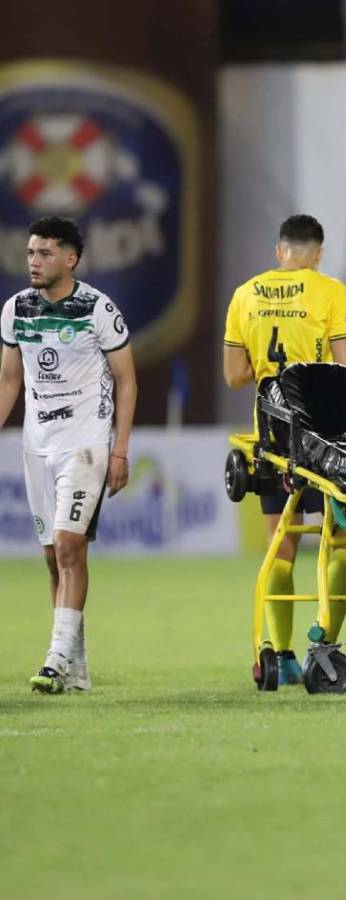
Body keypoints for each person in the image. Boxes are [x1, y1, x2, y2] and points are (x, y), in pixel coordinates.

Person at [222, 214, 346, 684]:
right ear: (317, 253)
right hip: (323, 433)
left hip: (272, 432)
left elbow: (234, 375)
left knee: (280, 543)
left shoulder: (245, 294)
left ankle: (280, 657)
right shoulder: (331, 291)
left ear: (279, 250)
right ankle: (323, 646)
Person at [0, 216, 137, 693]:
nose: (33, 262)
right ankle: (77, 666)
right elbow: (9, 380)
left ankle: (55, 659)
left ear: (70, 259)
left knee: (68, 546)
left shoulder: (98, 309)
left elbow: (126, 380)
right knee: (51, 557)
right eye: (30, 253)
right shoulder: (15, 309)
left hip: (85, 443)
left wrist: (119, 451)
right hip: (36, 445)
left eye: (44, 253)